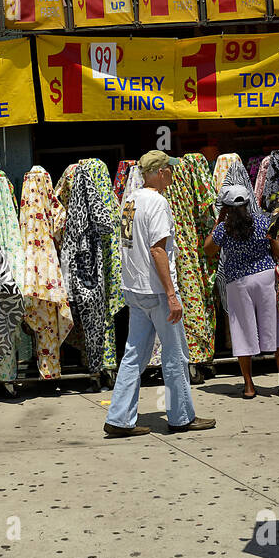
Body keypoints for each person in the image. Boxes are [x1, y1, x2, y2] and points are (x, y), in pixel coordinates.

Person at [104, 149, 215, 437]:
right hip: (155, 290)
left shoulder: (129, 200)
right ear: (161, 172)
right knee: (175, 355)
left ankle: (119, 417)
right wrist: (171, 294)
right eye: (170, 169)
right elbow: (157, 249)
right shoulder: (158, 202)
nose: (173, 174)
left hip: (135, 289)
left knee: (133, 355)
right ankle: (180, 417)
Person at [204, 183, 279, 397]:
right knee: (276, 329)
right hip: (265, 277)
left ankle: (249, 387)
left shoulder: (224, 228)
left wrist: (218, 220)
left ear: (226, 206)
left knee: (242, 331)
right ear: (248, 202)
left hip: (238, 281)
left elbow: (208, 249)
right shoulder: (263, 221)